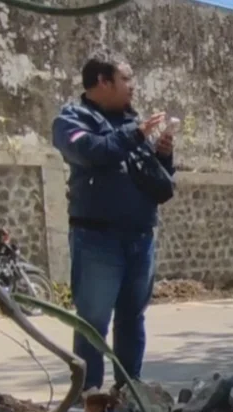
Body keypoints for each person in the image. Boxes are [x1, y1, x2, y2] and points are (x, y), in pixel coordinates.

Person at [51, 52, 176, 392]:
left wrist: (164, 154)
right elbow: (92, 152)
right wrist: (134, 135)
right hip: (97, 239)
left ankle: (128, 390)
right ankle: (89, 394)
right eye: (127, 79)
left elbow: (161, 183)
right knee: (93, 322)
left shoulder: (132, 124)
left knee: (132, 319)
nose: (133, 87)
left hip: (139, 236)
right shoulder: (72, 120)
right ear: (103, 82)